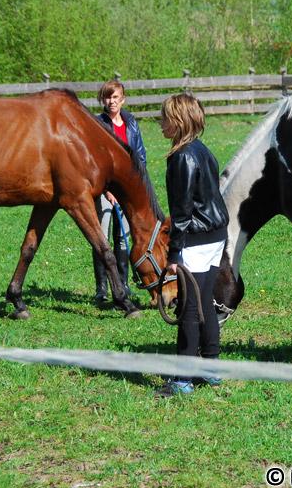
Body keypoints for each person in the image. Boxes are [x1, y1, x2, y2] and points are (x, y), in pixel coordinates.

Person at [155, 94, 229, 397]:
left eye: (163, 118)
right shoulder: (203, 150)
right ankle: (210, 367)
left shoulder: (182, 156)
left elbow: (182, 212)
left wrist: (173, 254)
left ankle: (183, 380)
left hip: (196, 240)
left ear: (177, 121)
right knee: (205, 302)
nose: (159, 123)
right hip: (216, 234)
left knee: (187, 307)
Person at [93, 80, 147, 304]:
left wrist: (134, 189)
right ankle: (102, 289)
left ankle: (123, 284)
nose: (111, 101)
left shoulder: (131, 123)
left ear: (122, 99)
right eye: (107, 97)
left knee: (123, 240)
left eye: (115, 97)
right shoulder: (98, 124)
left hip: (126, 191)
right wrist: (107, 190)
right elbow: (95, 161)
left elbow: (140, 156)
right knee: (101, 239)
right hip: (105, 190)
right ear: (102, 100)